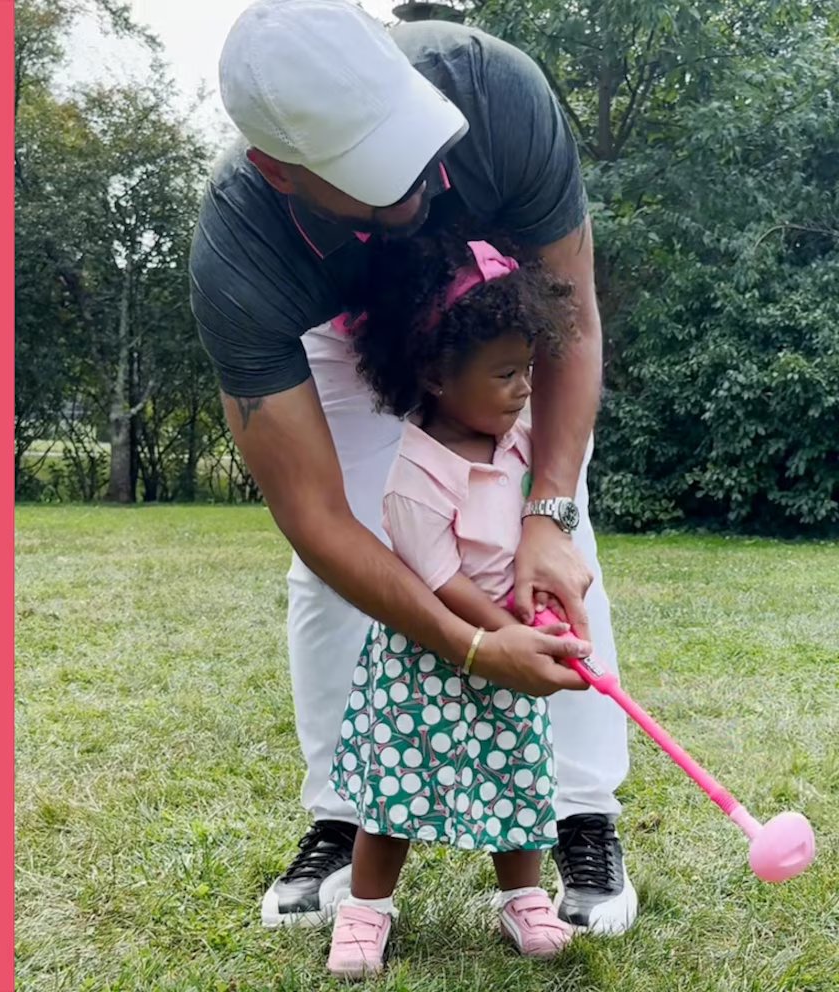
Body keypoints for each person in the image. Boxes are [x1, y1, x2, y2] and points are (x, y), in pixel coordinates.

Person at [191, 0, 637, 934]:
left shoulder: (493, 91)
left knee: (555, 541)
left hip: (494, 314)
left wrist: (548, 511)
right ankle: (340, 812)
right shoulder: (240, 254)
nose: (419, 189)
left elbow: (573, 319)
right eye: (374, 177)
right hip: (341, 334)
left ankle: (580, 813)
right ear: (280, 171)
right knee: (329, 573)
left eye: (415, 147)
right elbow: (317, 516)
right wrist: (471, 647)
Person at [325, 231, 579, 978]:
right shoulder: (415, 478)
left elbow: (539, 522)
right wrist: (508, 632)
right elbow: (441, 583)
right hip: (428, 655)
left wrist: (543, 605)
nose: (524, 389)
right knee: (397, 790)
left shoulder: (517, 440)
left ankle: (523, 896)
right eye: (505, 374)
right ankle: (367, 908)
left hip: (513, 639)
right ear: (437, 375)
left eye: (527, 369)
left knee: (519, 775)